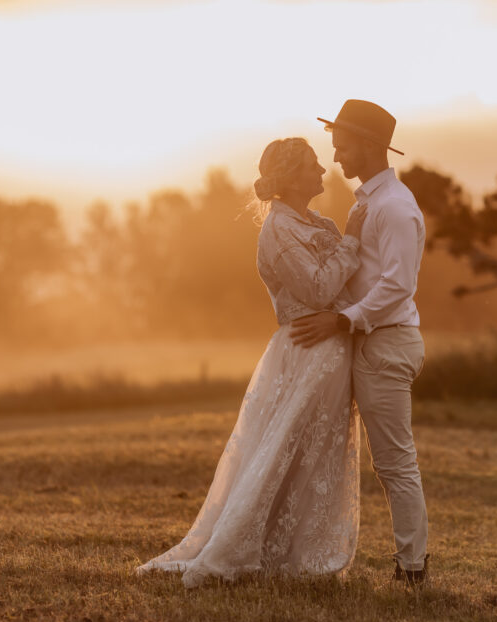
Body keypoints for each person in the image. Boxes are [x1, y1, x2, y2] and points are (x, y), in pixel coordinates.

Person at [135, 137, 368, 588]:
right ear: (291, 176)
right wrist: (353, 241)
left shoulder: (318, 221)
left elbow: (342, 287)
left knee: (318, 453)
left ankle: (301, 549)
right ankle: (239, 547)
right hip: (305, 354)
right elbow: (318, 290)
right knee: (281, 447)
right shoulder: (278, 228)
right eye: (312, 164)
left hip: (333, 352)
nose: (323, 169)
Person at [290, 100, 430, 585]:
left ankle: (412, 570)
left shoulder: (393, 207)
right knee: (387, 462)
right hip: (374, 342)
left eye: (343, 147)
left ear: (370, 147)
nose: (337, 158)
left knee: (395, 463)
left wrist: (341, 322)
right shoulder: (368, 202)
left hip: (386, 344)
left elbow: (397, 287)